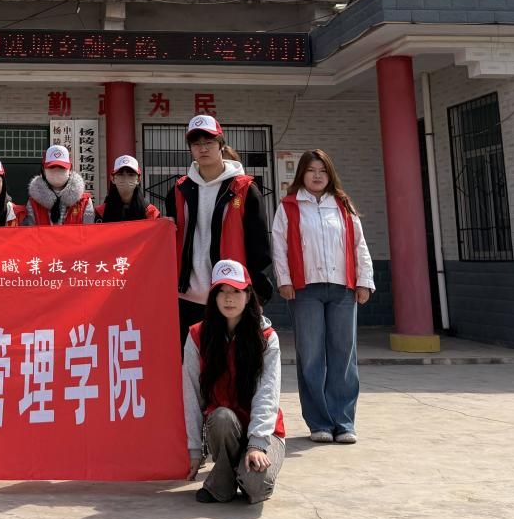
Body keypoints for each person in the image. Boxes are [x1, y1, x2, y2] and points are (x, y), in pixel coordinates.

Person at [271, 149, 374, 445]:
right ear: (301, 174)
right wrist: (284, 280)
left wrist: (364, 282)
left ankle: (344, 422)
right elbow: (279, 245)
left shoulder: (342, 205)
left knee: (344, 354)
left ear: (330, 175)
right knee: (311, 355)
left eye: (323, 171)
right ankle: (319, 423)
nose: (317, 176)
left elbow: (359, 245)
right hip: (305, 289)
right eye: (311, 170)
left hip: (343, 288)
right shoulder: (289, 206)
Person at [182, 259, 286, 505]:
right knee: (221, 417)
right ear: (213, 297)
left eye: (236, 291)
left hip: (264, 431)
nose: (229, 298)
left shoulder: (266, 337)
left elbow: (268, 393)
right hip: (225, 430)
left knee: (256, 488)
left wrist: (257, 444)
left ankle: (233, 474)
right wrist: (195, 450)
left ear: (248, 296)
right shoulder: (197, 336)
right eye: (222, 291)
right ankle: (225, 479)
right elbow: (191, 394)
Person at [164, 115, 272, 348]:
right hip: (186, 297)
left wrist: (258, 294)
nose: (202, 148)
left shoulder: (244, 189)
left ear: (221, 145)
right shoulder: (179, 190)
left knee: (229, 362)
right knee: (189, 362)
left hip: (230, 296)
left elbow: (259, 246)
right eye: (196, 144)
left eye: (209, 142)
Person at [23, 145, 95, 225]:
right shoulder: (33, 203)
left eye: (62, 168)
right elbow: (30, 231)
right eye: (52, 167)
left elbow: (89, 231)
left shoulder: (84, 202)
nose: (57, 171)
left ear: (70, 169)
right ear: (43, 170)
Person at [95, 154, 162, 222]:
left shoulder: (151, 212)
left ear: (138, 179)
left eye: (131, 175)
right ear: (113, 179)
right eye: (120, 174)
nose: (126, 179)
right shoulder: (102, 212)